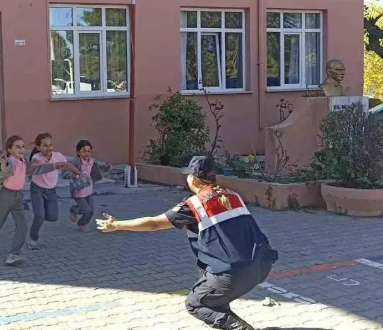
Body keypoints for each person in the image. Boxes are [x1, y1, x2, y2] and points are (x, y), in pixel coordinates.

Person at [96, 156, 278, 330]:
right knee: (210, 288)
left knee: (196, 303)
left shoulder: (194, 205)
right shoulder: (232, 196)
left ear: (194, 179)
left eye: (188, 176)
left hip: (234, 273)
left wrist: (117, 225)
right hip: (262, 264)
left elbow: (153, 223)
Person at [0, 135, 70, 266]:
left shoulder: (24, 162)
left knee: (22, 226)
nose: (21, 149)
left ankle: (13, 255)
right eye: (17, 147)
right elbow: (6, 169)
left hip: (18, 198)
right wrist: (4, 165)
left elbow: (38, 169)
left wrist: (55, 165)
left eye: (22, 146)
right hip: (6, 196)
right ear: (9, 150)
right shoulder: (9, 161)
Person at [27, 133, 81, 250]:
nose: (48, 148)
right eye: (45, 146)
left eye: (50, 145)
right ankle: (33, 239)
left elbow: (67, 164)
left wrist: (79, 174)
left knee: (53, 217)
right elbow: (38, 171)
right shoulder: (36, 158)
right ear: (38, 147)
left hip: (51, 191)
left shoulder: (58, 156)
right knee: (40, 216)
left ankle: (40, 215)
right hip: (37, 189)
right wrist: (55, 165)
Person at [64, 140, 111, 232]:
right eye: (84, 151)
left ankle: (80, 219)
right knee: (87, 210)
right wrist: (74, 175)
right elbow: (65, 173)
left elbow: (101, 167)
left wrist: (107, 167)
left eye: (88, 151)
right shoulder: (75, 162)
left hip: (88, 190)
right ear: (78, 152)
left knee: (91, 211)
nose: (86, 153)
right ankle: (79, 220)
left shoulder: (92, 161)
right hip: (78, 191)